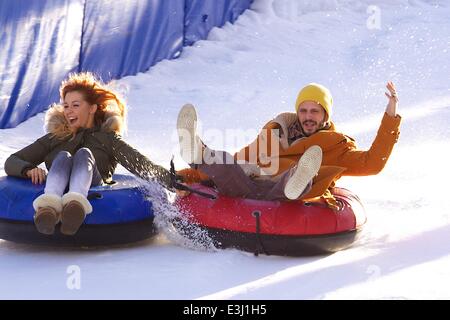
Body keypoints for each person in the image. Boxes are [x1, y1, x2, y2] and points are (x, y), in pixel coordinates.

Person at [175, 81, 401, 208]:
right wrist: (188, 178)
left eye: (315, 111)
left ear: (325, 114)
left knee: (292, 177)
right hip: (251, 188)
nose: (308, 116)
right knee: (228, 164)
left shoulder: (335, 145)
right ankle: (198, 153)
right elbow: (239, 161)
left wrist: (391, 115)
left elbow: (373, 164)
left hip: (286, 195)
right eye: (303, 110)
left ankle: (301, 178)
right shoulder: (274, 133)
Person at [4, 72, 173, 236]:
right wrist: (27, 169)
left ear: (92, 108)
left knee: (84, 154)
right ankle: (49, 207)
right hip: (57, 182)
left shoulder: (108, 139)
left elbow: (140, 164)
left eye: (76, 105)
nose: (69, 111)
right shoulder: (56, 137)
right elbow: (13, 160)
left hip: (94, 182)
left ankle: (75, 206)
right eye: (66, 106)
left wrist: (174, 182)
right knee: (63, 156)